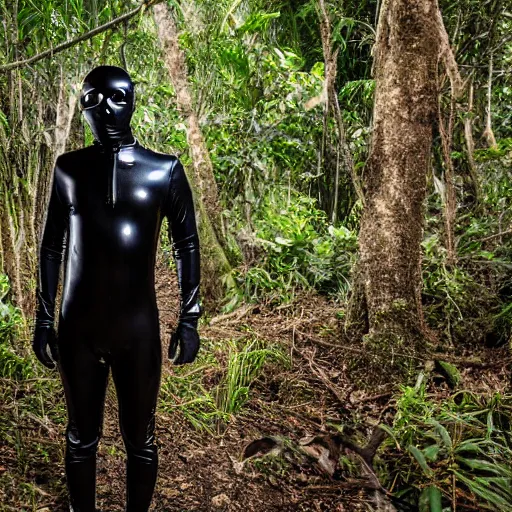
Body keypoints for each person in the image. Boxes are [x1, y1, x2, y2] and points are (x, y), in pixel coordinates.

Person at [32, 65, 201, 512]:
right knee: (80, 437)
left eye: (117, 99)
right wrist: (44, 317)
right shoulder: (68, 169)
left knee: (140, 439)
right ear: (82, 106)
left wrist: (191, 317)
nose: (104, 110)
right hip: (77, 329)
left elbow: (187, 243)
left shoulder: (164, 170)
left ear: (133, 103)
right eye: (92, 100)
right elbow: (52, 247)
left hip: (137, 331)